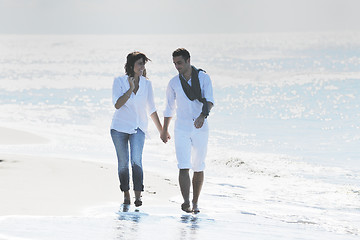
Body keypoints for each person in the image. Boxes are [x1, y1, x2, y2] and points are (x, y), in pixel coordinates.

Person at [161, 48, 214, 213]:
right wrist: (164, 129)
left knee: (198, 166)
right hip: (181, 128)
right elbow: (169, 108)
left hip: (200, 128)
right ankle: (186, 202)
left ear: (188, 60)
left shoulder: (203, 77)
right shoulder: (174, 83)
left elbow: (210, 101)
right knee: (183, 165)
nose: (177, 66)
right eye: (175, 63)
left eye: (180, 63)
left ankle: (195, 202)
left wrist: (202, 116)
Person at [110, 51, 162, 207]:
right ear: (131, 65)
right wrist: (130, 88)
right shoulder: (119, 81)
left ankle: (138, 196)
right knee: (123, 163)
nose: (142, 66)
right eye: (139, 63)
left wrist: (162, 130)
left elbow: (151, 108)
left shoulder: (147, 84)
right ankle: (126, 193)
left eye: (143, 63)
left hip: (139, 127)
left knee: (136, 161)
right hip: (119, 128)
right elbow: (117, 104)